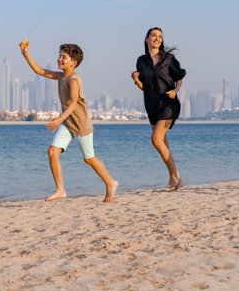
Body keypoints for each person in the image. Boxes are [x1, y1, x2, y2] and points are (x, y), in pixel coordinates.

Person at [18, 39, 118, 203]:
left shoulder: (73, 80)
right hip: (67, 123)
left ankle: (110, 183)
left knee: (89, 158)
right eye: (59, 56)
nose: (59, 59)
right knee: (52, 151)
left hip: (80, 124)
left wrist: (58, 119)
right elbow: (39, 71)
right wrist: (25, 53)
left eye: (63, 57)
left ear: (74, 62)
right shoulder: (61, 76)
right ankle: (60, 190)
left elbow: (73, 103)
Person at [131, 27, 187, 190]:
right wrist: (136, 79)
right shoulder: (141, 61)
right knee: (162, 141)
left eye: (160, 36)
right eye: (153, 36)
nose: (157, 38)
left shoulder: (168, 59)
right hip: (151, 105)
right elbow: (144, 87)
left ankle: (176, 176)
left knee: (156, 139)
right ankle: (172, 177)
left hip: (168, 103)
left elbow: (180, 77)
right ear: (147, 39)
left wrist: (175, 91)